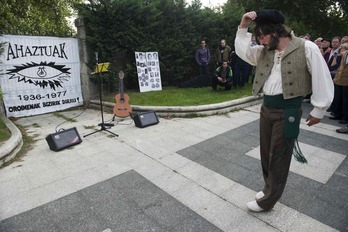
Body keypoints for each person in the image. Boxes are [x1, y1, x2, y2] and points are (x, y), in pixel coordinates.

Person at [235, 10, 334, 212]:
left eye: (262, 36)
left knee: (279, 156)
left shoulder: (307, 48)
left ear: (275, 32)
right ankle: (268, 187)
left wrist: (319, 109)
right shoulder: (264, 51)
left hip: (288, 109)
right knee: (266, 153)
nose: (260, 41)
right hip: (266, 108)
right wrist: (243, 26)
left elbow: (321, 76)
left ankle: (267, 201)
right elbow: (242, 51)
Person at [332, 42, 348, 127]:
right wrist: (336, 77)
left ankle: (345, 117)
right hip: (340, 79)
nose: (342, 50)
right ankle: (338, 114)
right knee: (339, 98)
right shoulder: (344, 55)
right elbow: (340, 67)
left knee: (346, 100)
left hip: (346, 81)